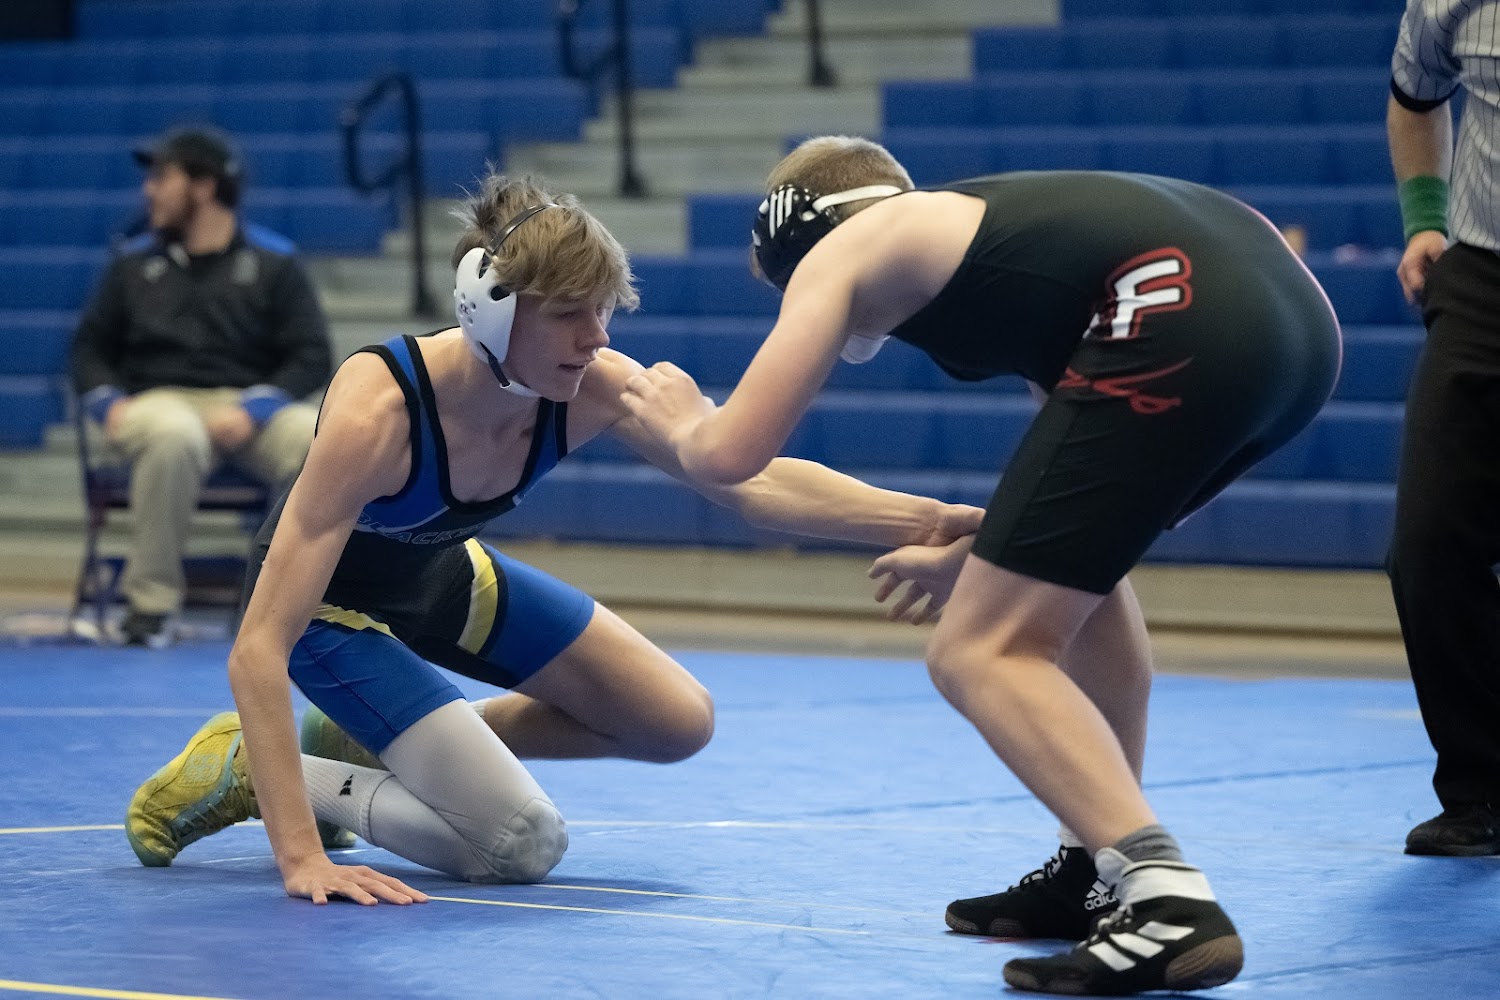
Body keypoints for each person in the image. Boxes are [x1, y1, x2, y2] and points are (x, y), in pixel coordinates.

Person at [124, 172, 983, 906]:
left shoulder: (590, 383)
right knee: (517, 841)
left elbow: (750, 482)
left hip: (435, 570)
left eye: (603, 311)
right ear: (490, 312)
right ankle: (254, 768)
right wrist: (300, 856)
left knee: (677, 721)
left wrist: (931, 519)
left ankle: (362, 736)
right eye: (571, 314)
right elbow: (258, 648)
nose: (598, 338)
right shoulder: (379, 409)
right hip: (325, 612)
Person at [621, 136, 1344, 996]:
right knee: (1087, 584)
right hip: (1291, 331)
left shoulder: (847, 245)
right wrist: (982, 551)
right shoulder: (991, 233)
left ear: (793, 243)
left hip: (1179, 314)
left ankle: (1166, 899)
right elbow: (1078, 495)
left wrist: (680, 422)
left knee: (978, 650)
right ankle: (1093, 868)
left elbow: (731, 454)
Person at [70, 125, 333, 648]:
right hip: (159, 402)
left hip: (246, 406)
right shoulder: (131, 265)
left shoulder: (274, 264)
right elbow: (88, 349)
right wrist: (107, 402)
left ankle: (294, 604)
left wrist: (257, 408)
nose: (148, 190)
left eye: (161, 177)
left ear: (204, 186)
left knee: (320, 441)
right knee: (174, 435)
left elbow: (311, 355)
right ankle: (151, 607)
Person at [1385, 0, 1500, 857]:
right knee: (1428, 545)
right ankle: (1481, 790)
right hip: (1485, 281)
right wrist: (1425, 216)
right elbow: (1414, 97)